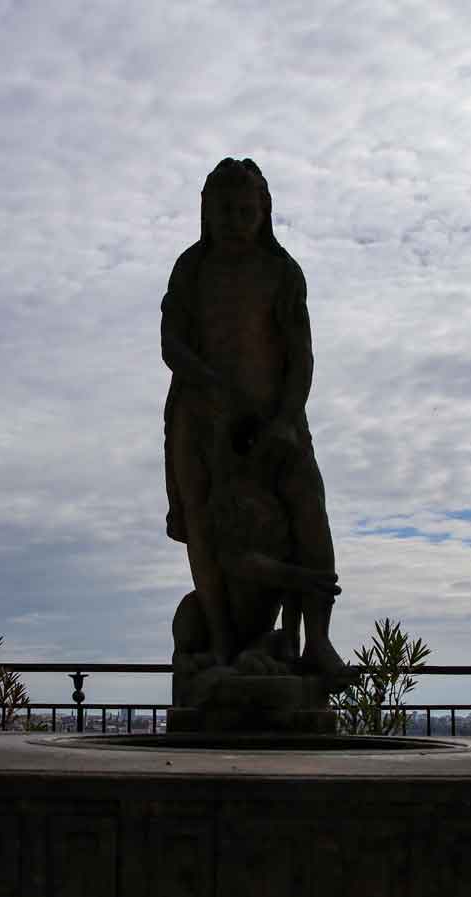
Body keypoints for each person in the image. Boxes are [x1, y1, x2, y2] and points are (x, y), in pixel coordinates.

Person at [160, 158, 346, 680]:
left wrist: (285, 419)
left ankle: (319, 642)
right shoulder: (191, 269)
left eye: (246, 210)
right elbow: (171, 341)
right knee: (204, 525)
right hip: (200, 419)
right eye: (224, 210)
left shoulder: (282, 272)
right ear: (207, 212)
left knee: (308, 512)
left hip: (277, 419)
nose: (235, 220)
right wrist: (211, 386)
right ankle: (221, 644)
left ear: (264, 212)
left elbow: (300, 355)